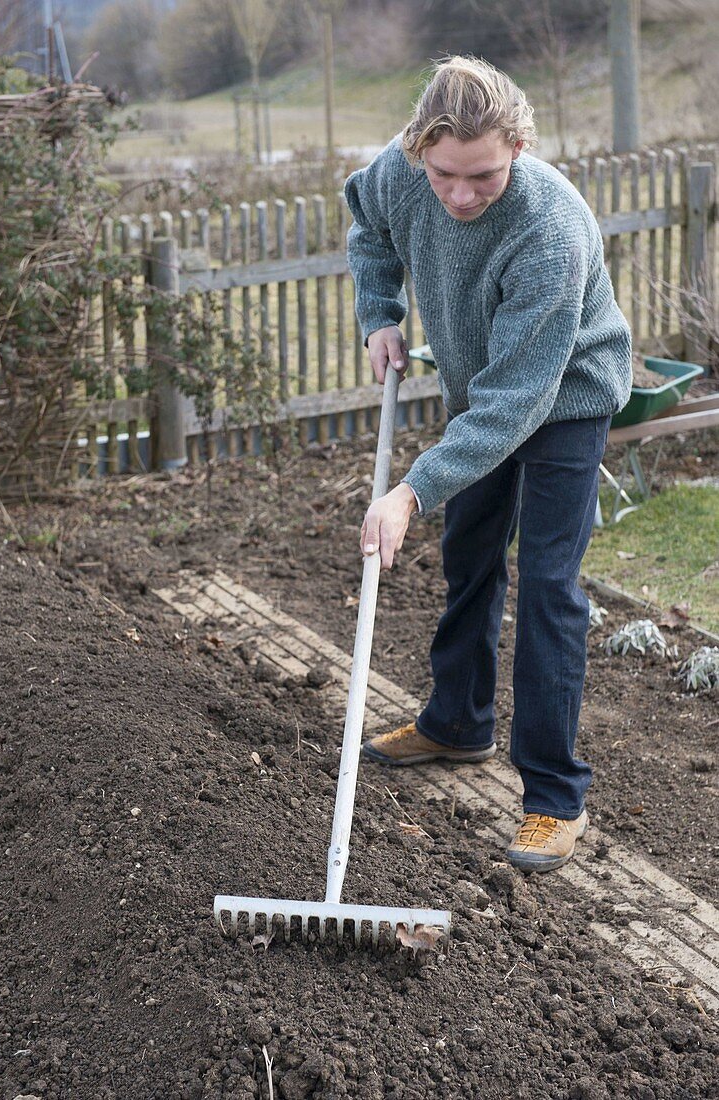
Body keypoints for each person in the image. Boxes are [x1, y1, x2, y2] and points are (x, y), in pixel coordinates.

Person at [344, 56, 632, 874]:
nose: (462, 195)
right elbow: (367, 223)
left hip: (563, 399)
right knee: (470, 557)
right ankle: (457, 723)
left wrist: (410, 490)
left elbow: (518, 403)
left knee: (547, 586)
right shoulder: (401, 178)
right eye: (445, 174)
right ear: (419, 148)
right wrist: (380, 313)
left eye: (485, 176)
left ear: (519, 147)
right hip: (482, 394)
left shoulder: (549, 226)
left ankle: (552, 796)